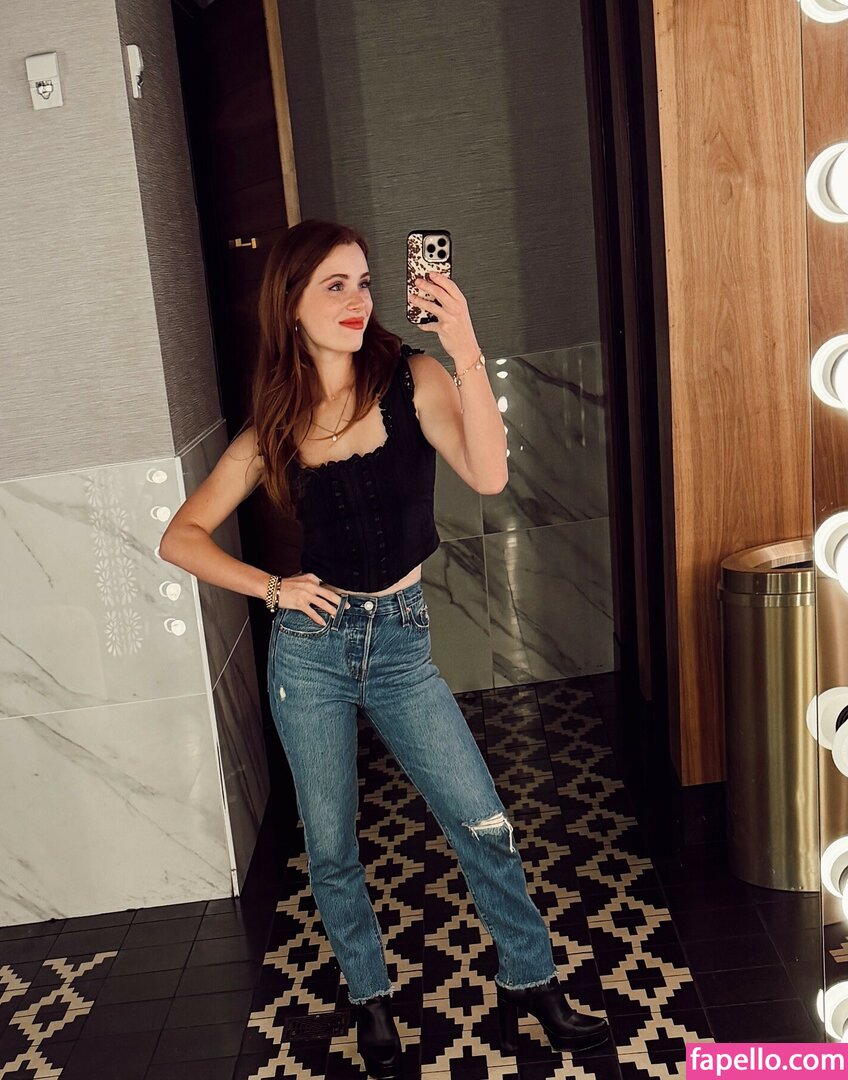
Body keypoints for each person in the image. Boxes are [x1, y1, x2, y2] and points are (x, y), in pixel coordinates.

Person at [159, 219, 608, 1078]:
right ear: (291, 304)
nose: (357, 300)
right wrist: (274, 589)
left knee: (483, 820)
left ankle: (532, 980)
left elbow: (488, 475)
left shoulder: (413, 376)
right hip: (310, 655)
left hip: (401, 646)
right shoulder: (274, 427)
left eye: (364, 282)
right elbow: (180, 537)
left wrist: (464, 344)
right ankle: (370, 1000)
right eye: (334, 285)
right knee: (332, 848)